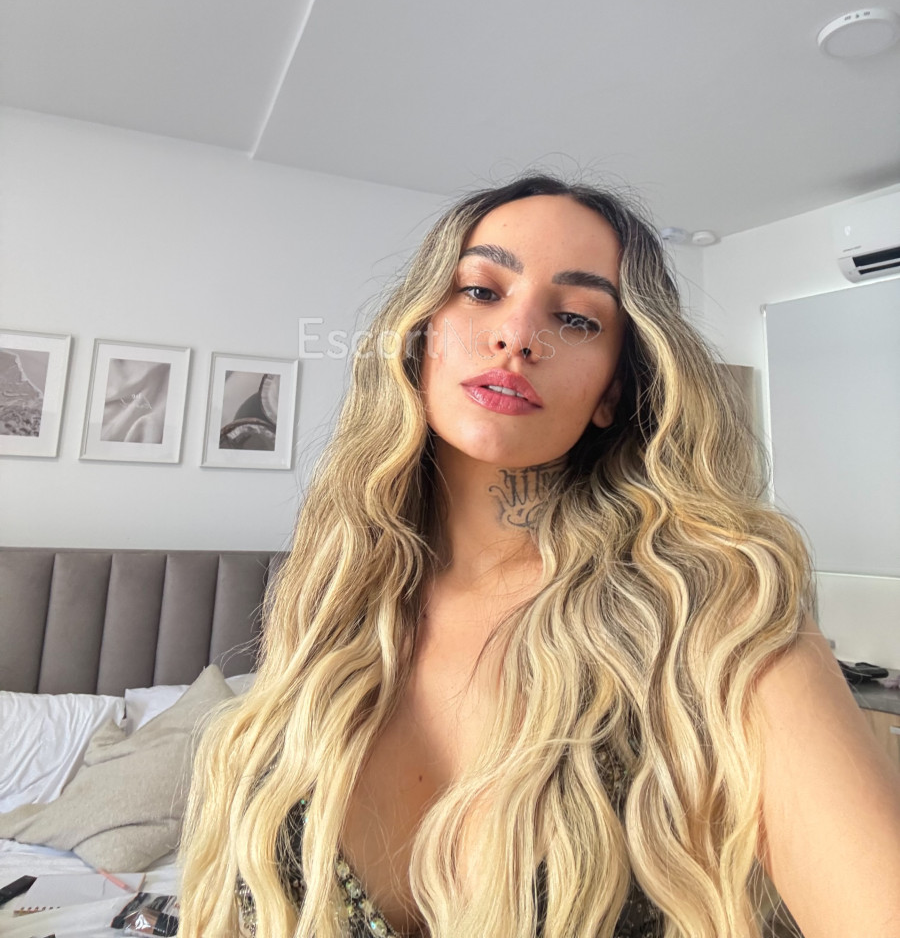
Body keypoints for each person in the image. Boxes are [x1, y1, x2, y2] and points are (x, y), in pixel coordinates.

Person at [179, 175, 900, 938]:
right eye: (481, 291)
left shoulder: (719, 614)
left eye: (577, 318)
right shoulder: (333, 596)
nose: (519, 335)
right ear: (420, 336)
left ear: (612, 394)